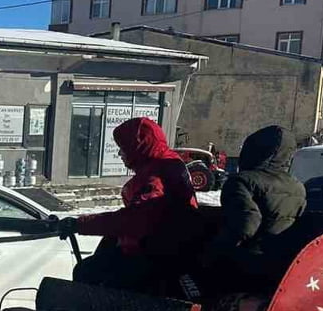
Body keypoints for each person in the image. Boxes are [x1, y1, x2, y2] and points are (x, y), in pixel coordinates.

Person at [58, 115, 202, 295]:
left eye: (123, 148)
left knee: (90, 275)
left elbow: (135, 220)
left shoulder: (157, 176)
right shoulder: (165, 165)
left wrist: (81, 224)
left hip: (158, 257)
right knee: (92, 268)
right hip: (164, 250)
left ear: (137, 147)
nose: (120, 154)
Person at [201, 124, 306, 293]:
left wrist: (214, 251)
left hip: (246, 263)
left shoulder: (242, 181)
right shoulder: (297, 186)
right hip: (281, 264)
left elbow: (247, 222)